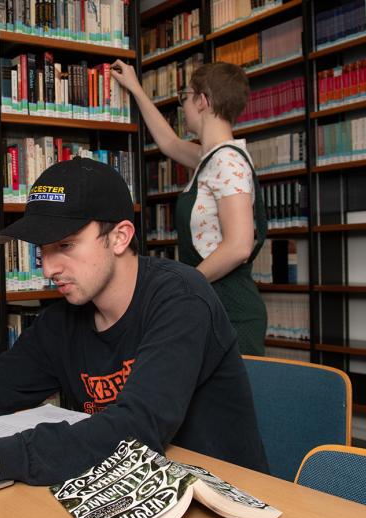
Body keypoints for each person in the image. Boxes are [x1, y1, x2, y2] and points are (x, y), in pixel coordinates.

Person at [0, 157, 268, 497]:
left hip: (217, 501)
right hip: (123, 493)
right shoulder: (64, 319)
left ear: (120, 236)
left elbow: (137, 428)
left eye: (66, 246)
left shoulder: (181, 300)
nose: (49, 268)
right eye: (43, 251)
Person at [111, 60, 268, 356]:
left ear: (202, 100)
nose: (183, 106)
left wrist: (182, 284)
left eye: (185, 97)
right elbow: (170, 143)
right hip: (215, 301)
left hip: (232, 309)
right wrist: (135, 88)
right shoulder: (210, 159)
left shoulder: (226, 161)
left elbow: (238, 246)